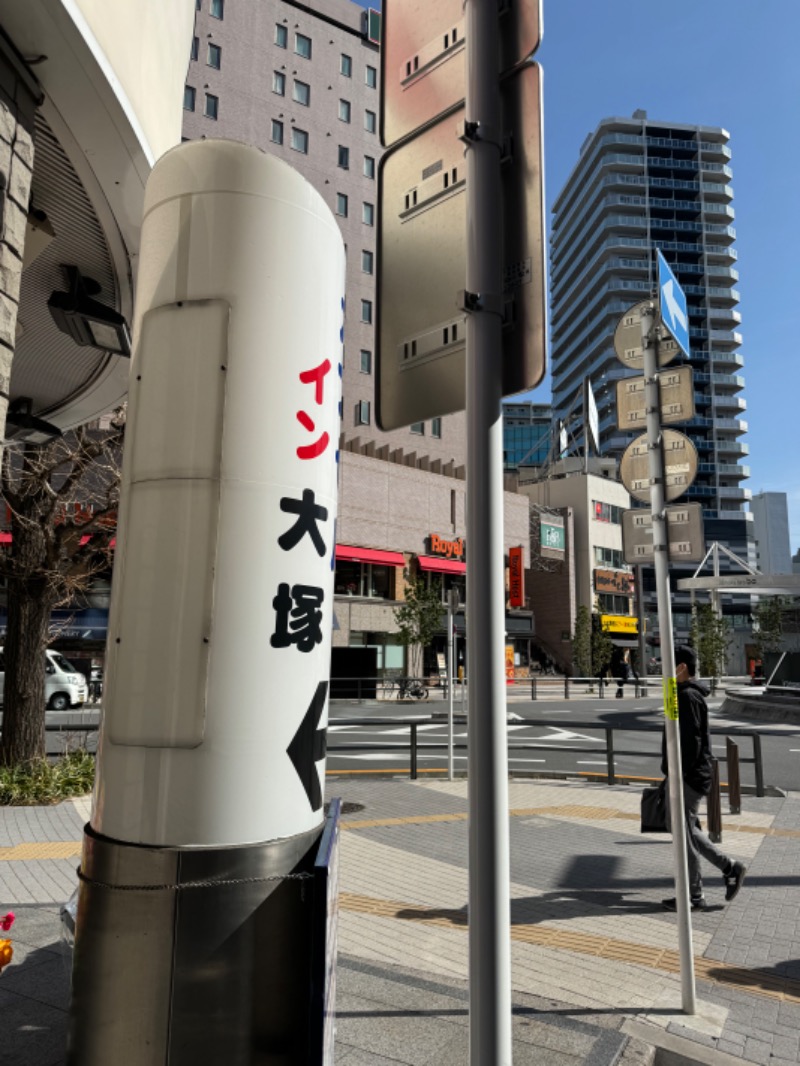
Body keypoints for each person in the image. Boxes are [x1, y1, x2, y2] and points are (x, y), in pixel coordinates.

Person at [661, 644, 747, 911]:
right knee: (686, 830)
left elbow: (690, 742)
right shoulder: (683, 693)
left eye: (667, 663)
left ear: (681, 667)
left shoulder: (687, 697)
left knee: (682, 833)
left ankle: (693, 896)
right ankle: (729, 868)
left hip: (688, 776)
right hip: (688, 774)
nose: (661, 668)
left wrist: (678, 775)